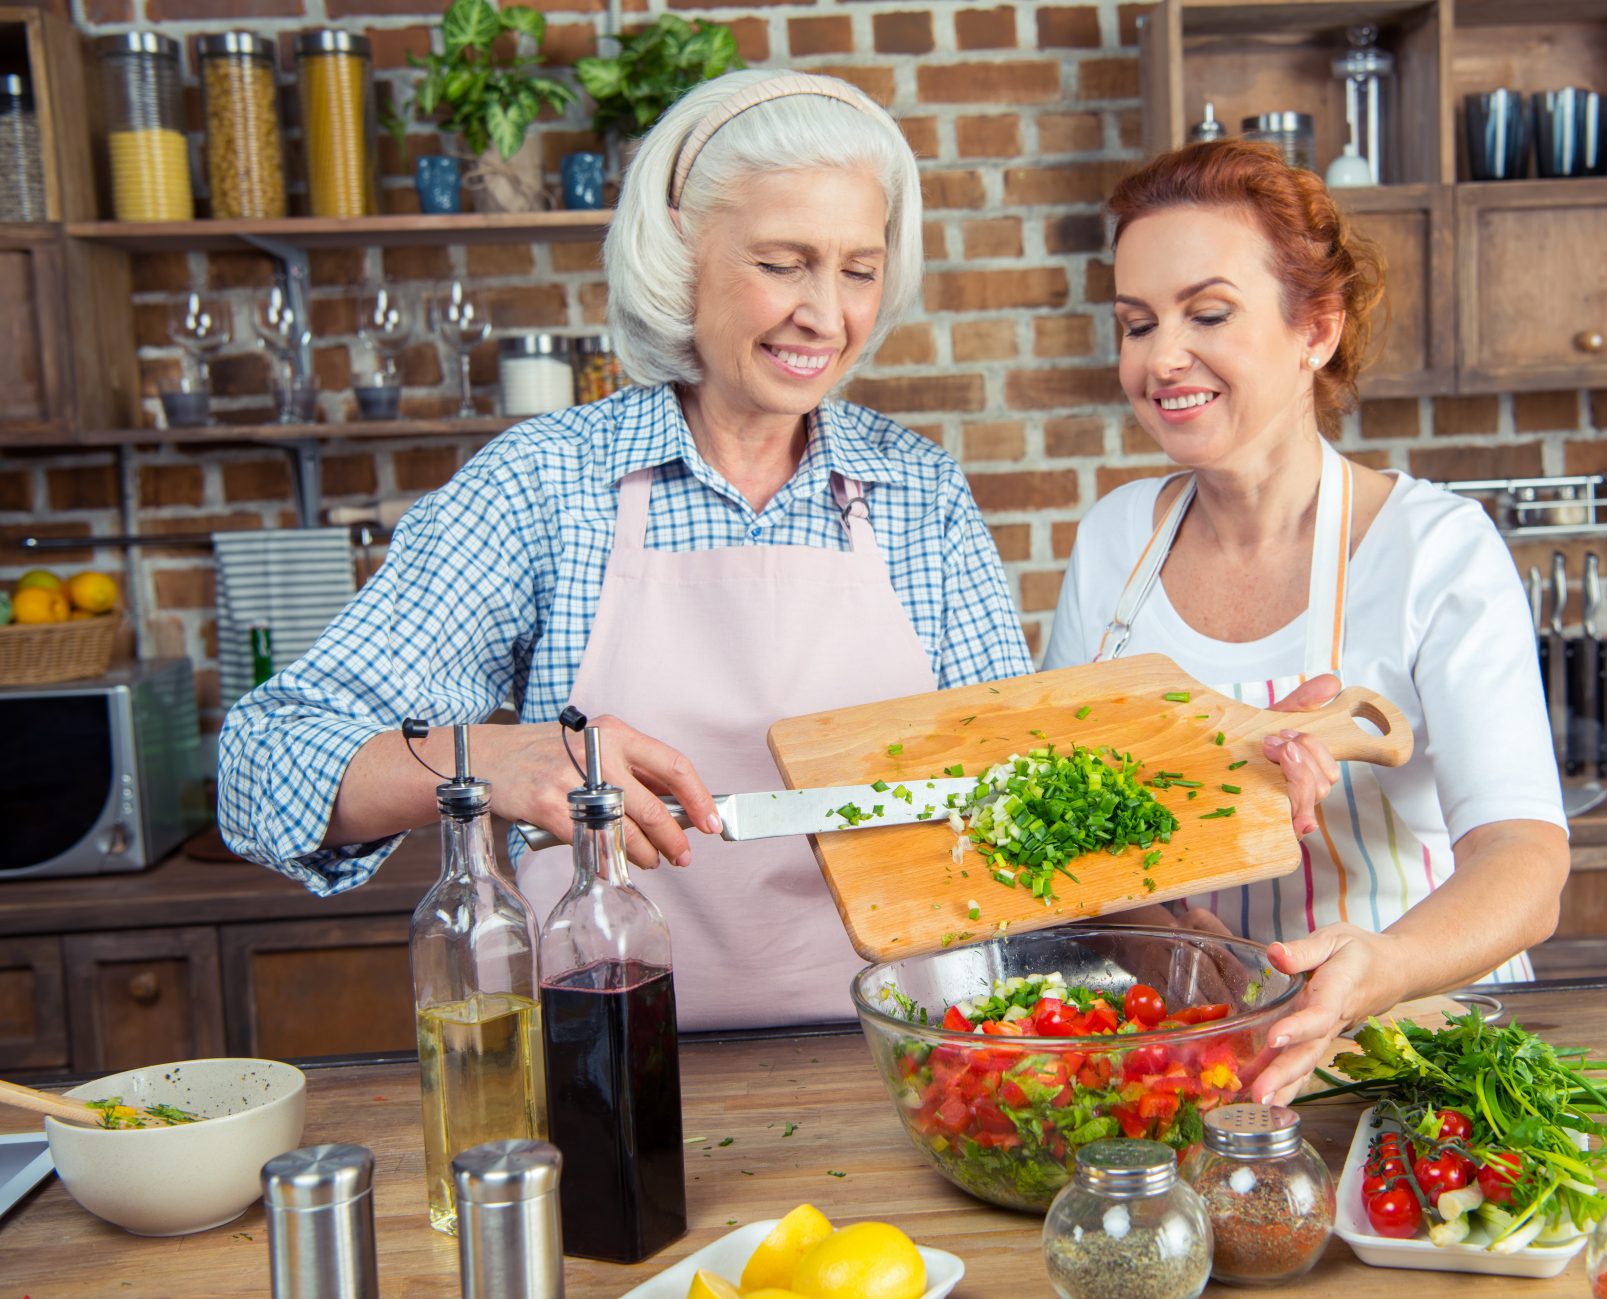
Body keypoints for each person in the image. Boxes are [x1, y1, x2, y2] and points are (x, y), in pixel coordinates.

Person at [218, 70, 1032, 1030]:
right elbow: (260, 763)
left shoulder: (919, 493)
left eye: (859, 268)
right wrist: (490, 759)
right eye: (783, 262)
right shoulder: (545, 486)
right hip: (610, 1067)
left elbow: (1015, 793)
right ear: (680, 250)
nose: (827, 313)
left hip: (909, 1064)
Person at [1045, 140, 1570, 1103]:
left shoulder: (1433, 549)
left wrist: (1383, 965)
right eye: (1137, 323)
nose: (1162, 358)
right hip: (1200, 1058)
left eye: (1208, 313)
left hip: (1419, 1059)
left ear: (1315, 328)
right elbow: (1069, 831)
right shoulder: (1116, 538)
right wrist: (1155, 930)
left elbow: (1526, 862)